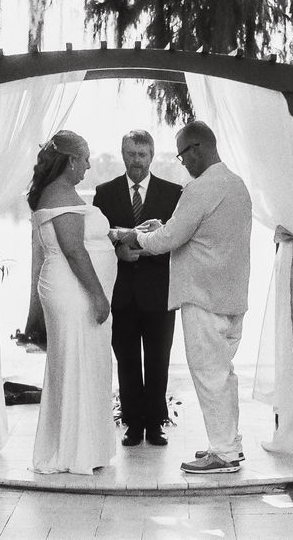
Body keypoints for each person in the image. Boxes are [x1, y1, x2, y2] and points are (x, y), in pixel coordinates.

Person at [122, 121, 252, 474]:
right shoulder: (237, 185)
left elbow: (169, 240)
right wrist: (161, 231)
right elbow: (204, 236)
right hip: (232, 297)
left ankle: (223, 453)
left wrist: (134, 234)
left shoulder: (201, 188)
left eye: (182, 154)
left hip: (203, 297)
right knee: (223, 375)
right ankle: (229, 446)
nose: (182, 162)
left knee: (210, 376)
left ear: (196, 149)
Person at [28, 130, 116, 475]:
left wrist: (115, 238)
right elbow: (74, 250)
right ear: (69, 161)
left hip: (69, 287)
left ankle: (83, 447)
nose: (89, 166)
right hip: (71, 291)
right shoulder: (59, 194)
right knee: (76, 363)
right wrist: (98, 294)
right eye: (85, 159)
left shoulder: (61, 193)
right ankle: (73, 451)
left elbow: (83, 240)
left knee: (83, 363)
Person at [93, 130, 183, 448]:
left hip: (160, 293)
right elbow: (98, 240)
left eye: (142, 154)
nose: (136, 160)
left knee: (158, 359)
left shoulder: (174, 193)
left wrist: (144, 249)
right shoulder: (104, 193)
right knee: (127, 360)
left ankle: (156, 423)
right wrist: (117, 252)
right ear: (122, 153)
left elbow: (177, 240)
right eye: (131, 153)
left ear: (152, 155)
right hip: (121, 293)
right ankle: (132, 424)